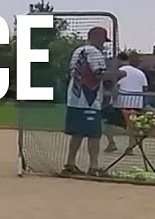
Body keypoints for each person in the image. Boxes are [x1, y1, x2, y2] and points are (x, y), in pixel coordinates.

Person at [62, 27, 124, 175]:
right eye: (103, 40)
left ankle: (70, 163)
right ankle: (93, 167)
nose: (104, 44)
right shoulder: (95, 53)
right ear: (98, 38)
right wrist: (118, 74)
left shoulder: (78, 51)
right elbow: (98, 74)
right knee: (94, 134)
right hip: (88, 99)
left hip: (74, 97)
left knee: (77, 133)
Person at [103, 52, 149, 152]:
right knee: (132, 125)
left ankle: (111, 143)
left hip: (121, 104)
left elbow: (116, 88)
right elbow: (145, 89)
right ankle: (130, 147)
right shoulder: (140, 73)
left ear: (119, 60)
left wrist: (111, 98)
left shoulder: (119, 72)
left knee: (105, 121)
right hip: (137, 104)